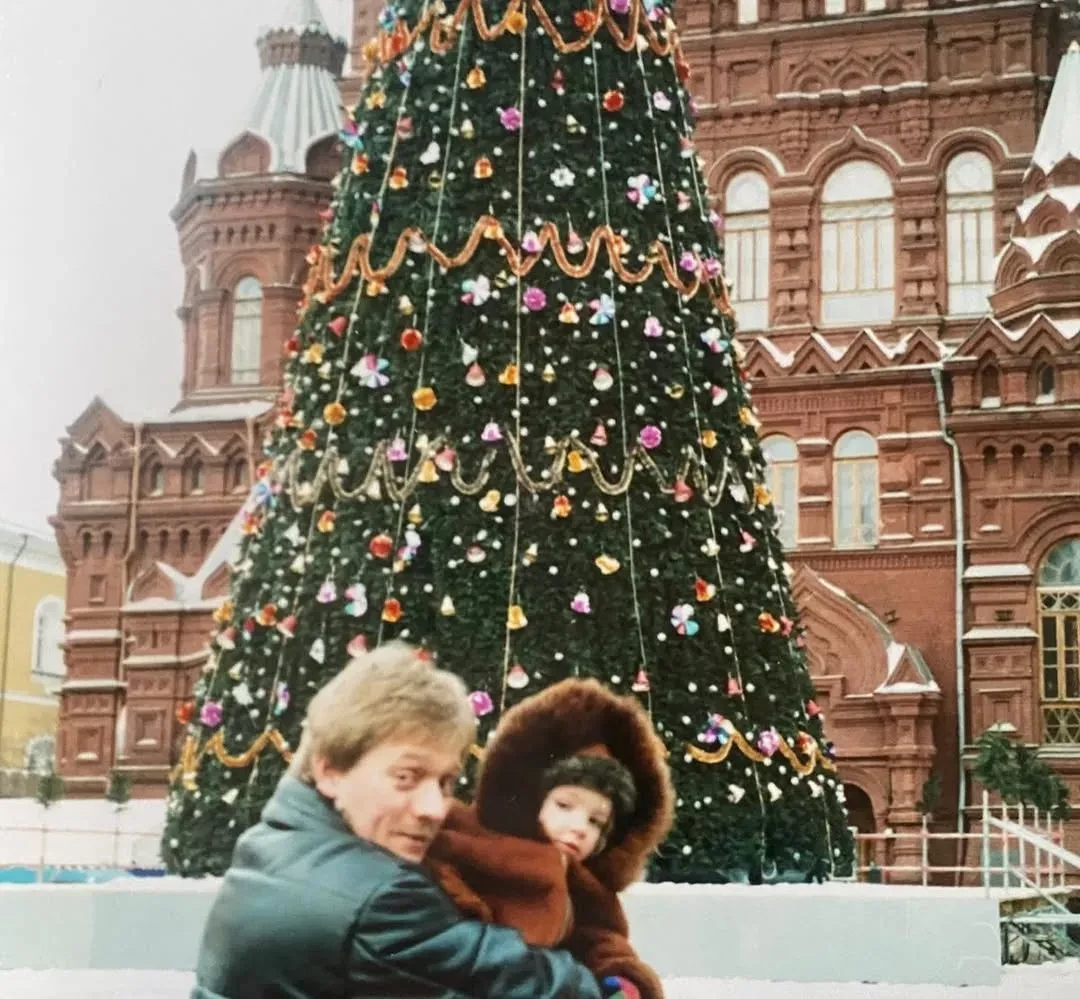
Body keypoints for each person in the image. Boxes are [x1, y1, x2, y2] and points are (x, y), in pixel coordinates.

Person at [191, 643, 605, 999]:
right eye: (406, 777)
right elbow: (541, 987)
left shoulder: (272, 842)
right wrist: (613, 985)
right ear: (330, 771)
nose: (434, 808)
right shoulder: (379, 899)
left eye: (445, 782)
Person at [426, 678, 675, 999]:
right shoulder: (475, 839)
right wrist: (472, 916)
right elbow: (441, 873)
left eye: (596, 822)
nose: (579, 826)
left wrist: (622, 980)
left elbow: (602, 940)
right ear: (532, 801)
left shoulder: (587, 888)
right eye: (564, 806)